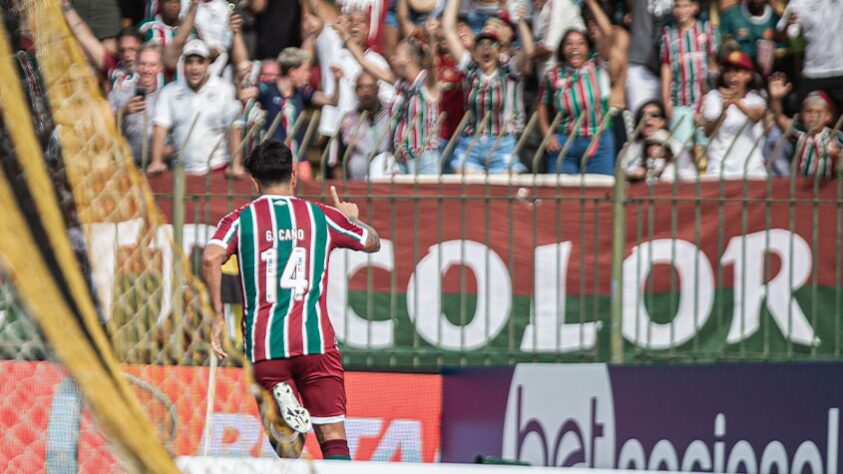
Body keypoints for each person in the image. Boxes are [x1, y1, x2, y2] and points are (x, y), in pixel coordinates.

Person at [202, 140, 381, 461]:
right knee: (334, 439)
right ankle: (295, 418)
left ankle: (288, 421)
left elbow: (210, 257)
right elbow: (372, 243)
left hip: (265, 345)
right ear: (294, 176)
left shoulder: (240, 219)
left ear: (255, 182)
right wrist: (350, 219)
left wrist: (216, 317)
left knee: (289, 449)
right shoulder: (322, 216)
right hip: (316, 343)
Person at [442, 0, 534, 174]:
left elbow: (529, 52)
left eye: (492, 44)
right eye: (481, 44)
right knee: (468, 191)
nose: (486, 47)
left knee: (502, 193)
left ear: (499, 52)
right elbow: (448, 31)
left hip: (503, 143)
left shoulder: (509, 71)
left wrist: (519, 21)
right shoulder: (470, 69)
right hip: (471, 143)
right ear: (474, 55)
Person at [341, 23, 442, 174]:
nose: (393, 57)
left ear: (409, 59)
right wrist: (346, 36)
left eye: (397, 54)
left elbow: (433, 63)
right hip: (400, 157)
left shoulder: (427, 83)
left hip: (424, 158)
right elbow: (364, 62)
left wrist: (431, 38)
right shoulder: (400, 84)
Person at [240, 47, 342, 180]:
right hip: (273, 159)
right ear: (293, 72)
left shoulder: (302, 92)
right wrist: (241, 79)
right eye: (305, 70)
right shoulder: (268, 89)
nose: (308, 75)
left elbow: (332, 101)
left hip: (298, 158)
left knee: (305, 191)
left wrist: (337, 80)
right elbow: (243, 95)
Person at [148, 39, 244, 176]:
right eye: (189, 62)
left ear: (208, 64)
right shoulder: (169, 92)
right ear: (183, 64)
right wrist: (156, 161)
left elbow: (234, 128)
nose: (194, 68)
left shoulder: (225, 90)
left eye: (200, 62)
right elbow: (160, 127)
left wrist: (236, 165)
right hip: (181, 171)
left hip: (216, 168)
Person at [538, 27, 624, 175]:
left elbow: (609, 34)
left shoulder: (597, 66)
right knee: (563, 194)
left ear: (587, 48)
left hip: (599, 141)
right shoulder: (553, 76)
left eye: (580, 43)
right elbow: (541, 105)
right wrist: (547, 134)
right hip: (565, 142)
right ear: (562, 49)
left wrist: (591, 3)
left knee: (599, 193)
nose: (575, 47)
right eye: (569, 43)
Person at [660, 0, 719, 152]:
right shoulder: (669, 34)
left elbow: (714, 64)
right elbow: (666, 68)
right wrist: (666, 101)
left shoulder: (706, 30)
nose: (682, 10)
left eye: (686, 6)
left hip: (704, 101)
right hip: (680, 101)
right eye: (678, 6)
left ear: (695, 7)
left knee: (705, 148)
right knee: (681, 151)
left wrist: (713, 96)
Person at [702, 51, 767, 178]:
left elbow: (756, 117)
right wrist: (723, 110)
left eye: (737, 71)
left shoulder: (756, 98)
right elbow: (707, 132)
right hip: (720, 171)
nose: (732, 76)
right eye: (728, 71)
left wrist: (736, 101)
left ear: (748, 75)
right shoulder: (713, 96)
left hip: (751, 171)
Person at [769, 74, 843, 179]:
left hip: (828, 189)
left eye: (818, 112)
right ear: (802, 115)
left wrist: (838, 155)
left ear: (828, 116)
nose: (813, 116)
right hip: (800, 188)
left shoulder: (836, 136)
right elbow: (779, 118)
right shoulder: (799, 133)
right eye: (808, 111)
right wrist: (776, 99)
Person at [107, 43, 169, 167]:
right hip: (126, 166)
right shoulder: (118, 95)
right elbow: (103, 127)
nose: (146, 70)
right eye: (142, 64)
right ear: (136, 66)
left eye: (152, 65)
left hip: (157, 167)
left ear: (160, 68)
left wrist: (158, 156)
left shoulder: (167, 97)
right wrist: (123, 111)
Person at [777, 0, 843, 114]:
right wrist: (788, 23)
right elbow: (783, 36)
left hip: (840, 70)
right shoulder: (798, 3)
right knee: (800, 115)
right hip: (813, 72)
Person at [62, 0, 143, 90]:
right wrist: (67, 7)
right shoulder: (113, 67)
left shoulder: (151, 69)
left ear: (142, 49)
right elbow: (83, 35)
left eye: (132, 49)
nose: (127, 55)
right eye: (122, 50)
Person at [330, 72, 397, 178]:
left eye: (370, 86)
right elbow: (337, 161)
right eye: (361, 87)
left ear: (378, 89)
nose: (366, 91)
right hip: (358, 185)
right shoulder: (348, 121)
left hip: (388, 180)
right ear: (356, 91)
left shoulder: (391, 114)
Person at [619, 100, 696, 181]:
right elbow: (618, 175)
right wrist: (633, 175)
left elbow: (690, 178)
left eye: (654, 115)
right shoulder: (630, 147)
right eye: (642, 115)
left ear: (663, 121)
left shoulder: (676, 147)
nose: (647, 119)